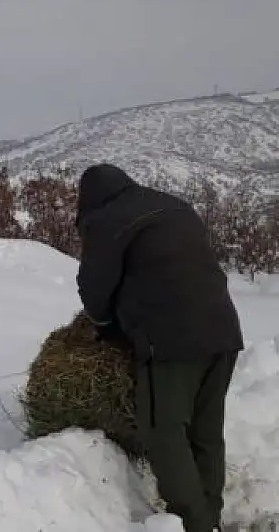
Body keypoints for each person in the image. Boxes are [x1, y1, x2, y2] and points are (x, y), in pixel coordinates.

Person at [75, 163, 243, 532]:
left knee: (164, 432)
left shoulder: (105, 220)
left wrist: (105, 325)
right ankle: (209, 516)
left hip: (170, 338)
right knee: (206, 431)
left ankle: (194, 523)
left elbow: (95, 287)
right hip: (223, 329)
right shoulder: (173, 205)